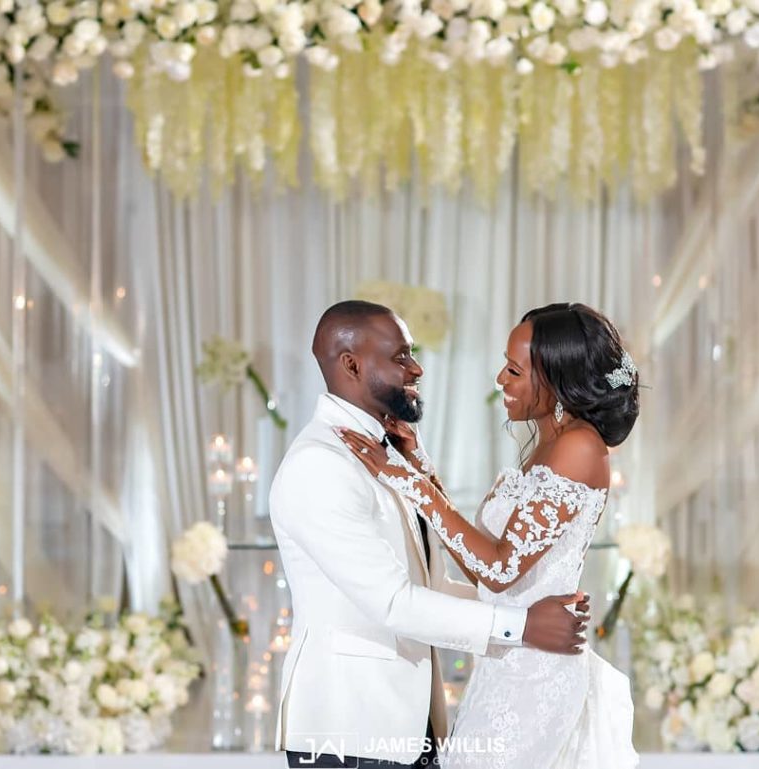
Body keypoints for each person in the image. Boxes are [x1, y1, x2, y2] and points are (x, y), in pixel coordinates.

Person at [270, 300, 591, 768]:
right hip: (350, 732)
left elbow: (431, 585)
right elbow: (395, 602)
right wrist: (522, 627)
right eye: (400, 357)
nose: (417, 368)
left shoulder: (386, 453)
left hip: (406, 729)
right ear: (352, 365)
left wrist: (526, 615)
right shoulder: (320, 464)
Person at [338, 302, 640, 769]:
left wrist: (408, 482)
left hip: (539, 669)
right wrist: (419, 467)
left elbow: (499, 570)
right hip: (509, 660)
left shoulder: (580, 446)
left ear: (556, 381)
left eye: (515, 369)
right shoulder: (548, 443)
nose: (501, 379)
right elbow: (481, 566)